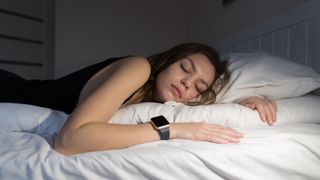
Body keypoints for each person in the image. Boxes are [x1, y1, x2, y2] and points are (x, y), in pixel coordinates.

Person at [0, 42, 277, 155]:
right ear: (166, 62)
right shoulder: (138, 67)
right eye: (184, 68)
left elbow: (209, 104)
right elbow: (69, 141)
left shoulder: (165, 100)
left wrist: (250, 99)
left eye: (198, 86)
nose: (186, 83)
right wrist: (174, 130)